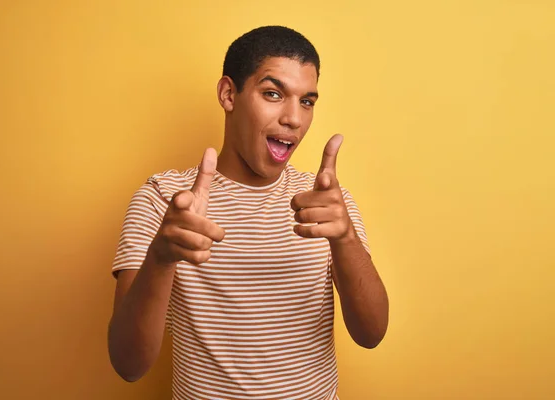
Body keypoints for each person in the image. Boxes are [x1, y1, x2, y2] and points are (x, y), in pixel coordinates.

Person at [108, 25, 389, 399]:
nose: (294, 118)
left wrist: (345, 237)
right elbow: (128, 365)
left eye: (307, 101)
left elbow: (371, 334)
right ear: (229, 94)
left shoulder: (326, 203)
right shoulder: (162, 199)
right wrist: (160, 259)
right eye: (273, 94)